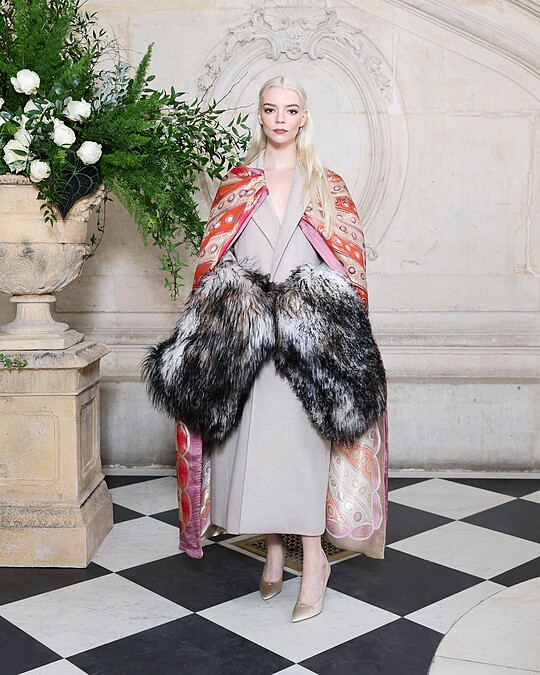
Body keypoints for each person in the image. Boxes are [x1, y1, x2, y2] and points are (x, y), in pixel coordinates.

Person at [144, 75, 387, 623]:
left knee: (302, 454)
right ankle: (275, 553)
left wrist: (304, 304)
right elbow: (213, 263)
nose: (281, 118)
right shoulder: (237, 184)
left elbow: (349, 269)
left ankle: (315, 562)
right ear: (260, 116)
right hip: (250, 344)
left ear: (304, 118)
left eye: (291, 109)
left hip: (305, 345)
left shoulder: (327, 185)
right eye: (272, 109)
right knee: (255, 451)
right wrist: (242, 304)